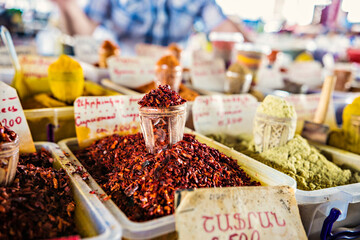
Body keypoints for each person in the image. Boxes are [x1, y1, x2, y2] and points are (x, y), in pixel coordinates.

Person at [52, 0, 250, 54]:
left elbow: (222, 27)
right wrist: (67, 5)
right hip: (120, 78)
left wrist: (254, 48)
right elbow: (82, 32)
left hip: (173, 79)